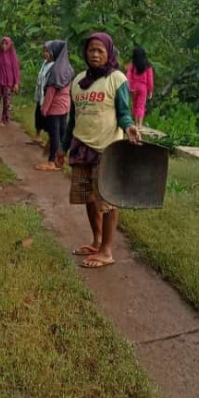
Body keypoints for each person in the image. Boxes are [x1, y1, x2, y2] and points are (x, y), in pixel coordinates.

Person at [56, 32, 141, 268]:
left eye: (100, 50)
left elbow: (124, 112)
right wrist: (63, 147)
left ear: (109, 53)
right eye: (91, 50)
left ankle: (107, 251)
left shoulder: (117, 79)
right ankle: (96, 241)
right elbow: (73, 119)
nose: (94, 54)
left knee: (108, 200)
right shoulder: (78, 81)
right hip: (81, 147)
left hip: (107, 149)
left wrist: (130, 127)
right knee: (88, 198)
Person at [35, 40, 74, 171]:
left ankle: (52, 161)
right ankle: (62, 157)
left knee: (54, 134)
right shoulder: (68, 68)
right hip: (65, 105)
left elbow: (50, 92)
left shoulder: (56, 70)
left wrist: (44, 109)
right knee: (63, 131)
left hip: (54, 106)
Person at [0, 36, 20, 127]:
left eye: (6, 43)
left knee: (7, 103)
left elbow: (16, 70)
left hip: (8, 83)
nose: (4, 45)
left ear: (10, 45)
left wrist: (16, 83)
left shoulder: (13, 56)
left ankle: (4, 120)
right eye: (2, 43)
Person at [126, 46, 154, 129]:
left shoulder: (133, 65)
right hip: (143, 87)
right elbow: (150, 80)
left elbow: (128, 76)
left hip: (134, 86)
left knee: (135, 105)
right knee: (141, 105)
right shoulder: (148, 66)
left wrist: (129, 87)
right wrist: (150, 90)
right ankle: (140, 124)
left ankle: (135, 123)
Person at [33, 46, 55, 145]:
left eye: (48, 52)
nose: (45, 54)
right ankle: (37, 135)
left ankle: (50, 141)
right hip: (40, 94)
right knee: (38, 115)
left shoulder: (54, 66)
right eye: (44, 51)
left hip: (47, 95)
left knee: (48, 118)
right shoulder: (44, 63)